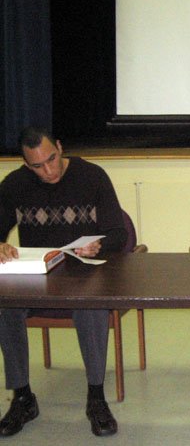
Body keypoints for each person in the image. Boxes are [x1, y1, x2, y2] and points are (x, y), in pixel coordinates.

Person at [0, 127, 127, 437]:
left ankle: (95, 398)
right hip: (38, 279)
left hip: (85, 274)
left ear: (60, 147)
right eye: (37, 166)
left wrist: (99, 245)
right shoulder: (15, 184)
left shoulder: (92, 176)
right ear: (25, 164)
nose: (48, 170)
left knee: (91, 307)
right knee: (5, 307)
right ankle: (23, 397)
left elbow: (118, 234)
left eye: (52, 159)